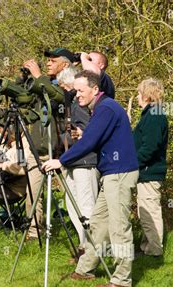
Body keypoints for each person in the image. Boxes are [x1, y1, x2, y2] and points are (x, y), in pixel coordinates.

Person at [42, 70, 139, 287]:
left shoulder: (105, 108)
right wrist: (83, 135)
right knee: (98, 222)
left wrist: (61, 161)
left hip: (119, 174)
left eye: (80, 90)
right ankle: (85, 268)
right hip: (112, 173)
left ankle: (122, 280)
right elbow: (97, 138)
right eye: (75, 90)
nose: (76, 95)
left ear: (95, 89)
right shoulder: (103, 107)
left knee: (118, 228)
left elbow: (90, 143)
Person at [21, 48, 73, 240]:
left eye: (53, 60)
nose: (48, 63)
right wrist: (23, 82)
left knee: (73, 194)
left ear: (65, 64)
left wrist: (37, 76)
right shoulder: (43, 85)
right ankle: (34, 233)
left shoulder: (68, 85)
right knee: (32, 193)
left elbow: (59, 97)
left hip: (61, 150)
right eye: (47, 61)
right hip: (38, 149)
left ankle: (84, 232)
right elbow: (25, 103)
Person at [56, 67, 99, 263]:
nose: (66, 92)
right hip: (74, 161)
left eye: (66, 87)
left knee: (86, 207)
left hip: (85, 162)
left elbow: (90, 130)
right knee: (72, 206)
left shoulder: (80, 105)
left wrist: (75, 133)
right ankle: (84, 247)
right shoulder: (74, 104)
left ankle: (91, 252)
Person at [133, 78, 168, 257]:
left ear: (147, 96)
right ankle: (146, 247)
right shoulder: (150, 114)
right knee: (144, 210)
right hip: (146, 171)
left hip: (149, 171)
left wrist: (134, 163)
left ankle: (154, 250)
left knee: (149, 212)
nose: (137, 97)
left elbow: (150, 147)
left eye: (139, 93)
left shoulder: (154, 115)